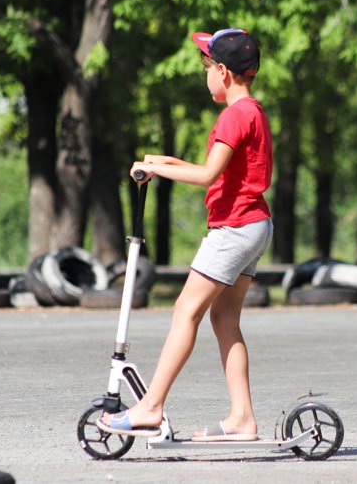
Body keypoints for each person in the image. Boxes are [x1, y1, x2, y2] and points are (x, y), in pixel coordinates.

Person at [97, 28, 273, 442]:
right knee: (224, 318)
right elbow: (220, 169)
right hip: (254, 224)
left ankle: (151, 406)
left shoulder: (234, 115)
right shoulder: (253, 112)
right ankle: (242, 419)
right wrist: (164, 160)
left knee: (184, 311)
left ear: (224, 72)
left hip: (234, 227)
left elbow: (207, 175)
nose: (205, 74)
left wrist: (157, 171)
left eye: (207, 66)